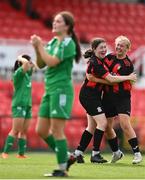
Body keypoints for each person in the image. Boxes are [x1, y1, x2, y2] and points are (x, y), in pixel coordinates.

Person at [70, 38, 137, 164]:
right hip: (89, 96)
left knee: (91, 126)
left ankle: (78, 153)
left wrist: (96, 79)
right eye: (101, 47)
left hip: (93, 96)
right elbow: (110, 79)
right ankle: (95, 154)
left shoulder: (100, 61)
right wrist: (128, 77)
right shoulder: (96, 63)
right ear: (94, 49)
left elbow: (92, 77)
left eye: (105, 47)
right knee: (103, 123)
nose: (104, 50)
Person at [30, 11, 81, 177]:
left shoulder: (68, 43)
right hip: (49, 89)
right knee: (41, 130)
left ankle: (62, 168)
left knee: (57, 129)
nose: (54, 23)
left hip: (61, 90)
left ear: (67, 26)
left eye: (58, 21)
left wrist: (39, 46)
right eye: (54, 20)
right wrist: (38, 49)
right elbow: (41, 64)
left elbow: (52, 61)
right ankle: (67, 156)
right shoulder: (53, 42)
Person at [87, 35, 142, 164]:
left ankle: (137, 153)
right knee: (106, 127)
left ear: (127, 48)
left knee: (125, 125)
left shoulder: (128, 65)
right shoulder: (109, 58)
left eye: (122, 46)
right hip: (108, 97)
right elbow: (100, 68)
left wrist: (111, 78)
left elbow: (113, 80)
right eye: (117, 45)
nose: (118, 47)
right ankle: (116, 152)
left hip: (122, 97)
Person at [2, 54, 34, 159]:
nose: (29, 64)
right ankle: (5, 153)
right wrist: (20, 57)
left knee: (23, 131)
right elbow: (25, 64)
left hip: (27, 105)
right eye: (28, 62)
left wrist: (31, 62)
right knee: (15, 130)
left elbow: (34, 66)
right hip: (19, 104)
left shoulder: (27, 75)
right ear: (21, 63)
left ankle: (21, 154)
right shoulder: (18, 74)